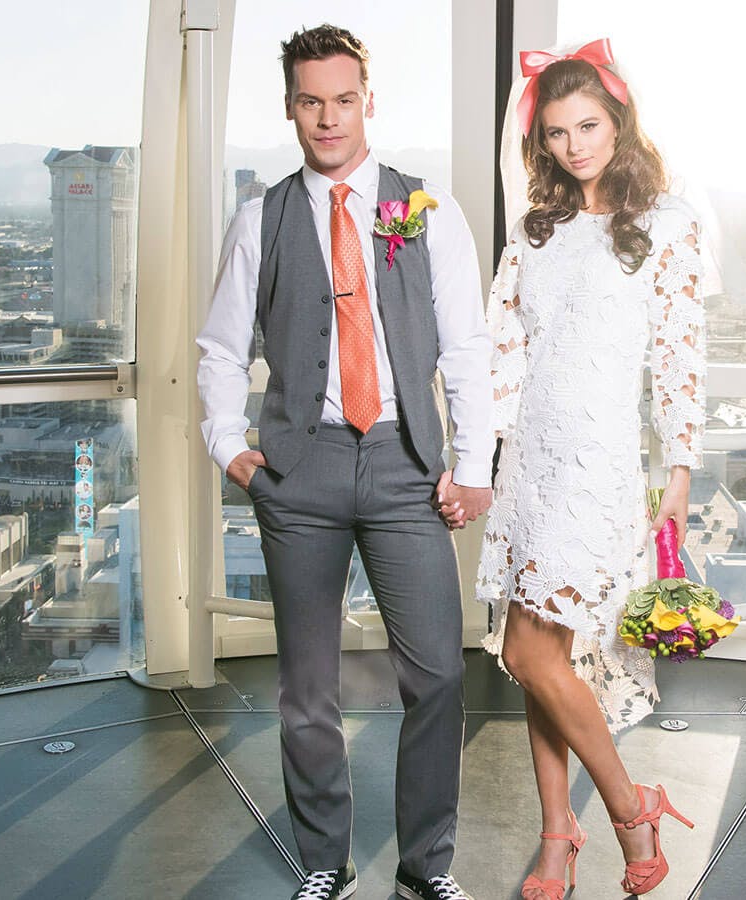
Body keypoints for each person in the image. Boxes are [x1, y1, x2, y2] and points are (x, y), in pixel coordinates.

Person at [196, 24, 492, 900]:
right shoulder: (260, 218)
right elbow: (221, 349)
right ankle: (324, 862)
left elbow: (466, 349)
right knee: (306, 688)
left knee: (439, 673)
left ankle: (425, 869)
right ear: (291, 108)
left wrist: (473, 464)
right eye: (310, 101)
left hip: (406, 466)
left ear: (369, 102)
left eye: (343, 100)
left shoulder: (427, 212)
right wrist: (230, 449)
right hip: (301, 470)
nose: (328, 118)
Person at [471, 39, 707, 899]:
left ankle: (629, 807)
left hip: (598, 468)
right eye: (558, 132)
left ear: (620, 124)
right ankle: (557, 834)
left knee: (533, 654)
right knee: (540, 658)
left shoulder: (668, 225)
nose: (574, 146)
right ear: (540, 141)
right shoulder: (537, 232)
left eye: (589, 126)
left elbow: (679, 352)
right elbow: (502, 353)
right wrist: (478, 459)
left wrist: (681, 462)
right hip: (529, 466)